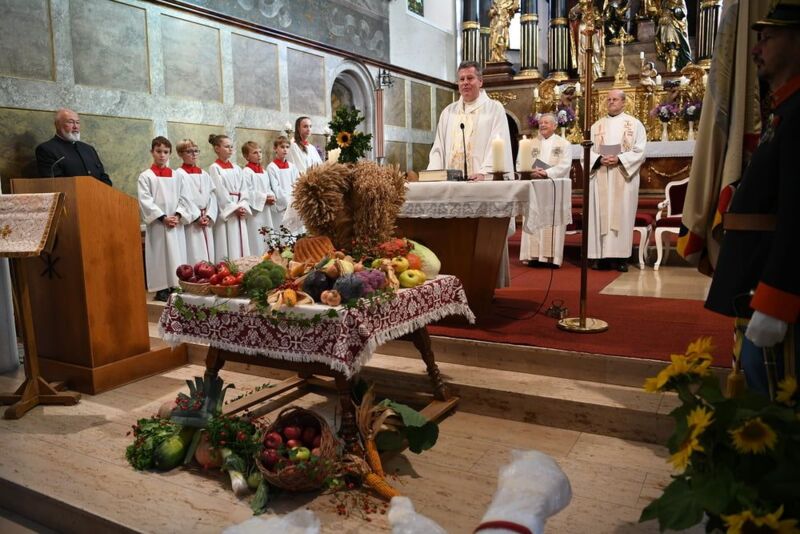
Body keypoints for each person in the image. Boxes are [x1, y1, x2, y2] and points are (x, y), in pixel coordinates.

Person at [705, 2, 800, 396]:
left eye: (767, 37)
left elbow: (797, 214)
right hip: (754, 280)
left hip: (773, 286)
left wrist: (777, 300)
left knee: (774, 403)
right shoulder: (785, 111)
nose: (756, 48)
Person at [587, 89, 647, 272]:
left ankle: (622, 257)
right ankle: (600, 257)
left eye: (615, 99)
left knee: (623, 214)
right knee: (599, 216)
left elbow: (640, 150)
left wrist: (620, 159)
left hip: (623, 175)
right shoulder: (596, 126)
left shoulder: (635, 125)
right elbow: (587, 151)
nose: (611, 102)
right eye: (609, 99)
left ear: (623, 102)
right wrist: (598, 159)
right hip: (601, 175)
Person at [428, 61, 513, 181]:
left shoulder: (494, 109)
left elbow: (499, 144)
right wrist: (433, 176)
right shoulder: (448, 112)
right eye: (462, 79)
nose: (465, 82)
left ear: (480, 81)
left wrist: (485, 173)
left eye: (470, 78)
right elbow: (438, 149)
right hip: (450, 185)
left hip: (480, 184)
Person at [517, 113, 573, 268]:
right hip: (534, 187)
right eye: (541, 123)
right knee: (533, 216)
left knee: (552, 220)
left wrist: (547, 173)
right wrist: (529, 171)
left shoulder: (564, 144)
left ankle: (551, 257)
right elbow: (520, 162)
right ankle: (533, 256)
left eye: (546, 123)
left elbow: (565, 165)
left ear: (555, 126)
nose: (542, 125)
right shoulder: (530, 143)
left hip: (553, 189)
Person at [138, 137, 189, 302]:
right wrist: (163, 218)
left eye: (165, 152)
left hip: (175, 222)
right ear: (152, 152)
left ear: (170, 154)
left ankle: (176, 284)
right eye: (158, 151)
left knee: (176, 253)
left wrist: (178, 215)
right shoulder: (146, 176)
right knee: (159, 255)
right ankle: (161, 288)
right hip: (159, 225)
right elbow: (145, 201)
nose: (162, 155)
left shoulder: (177, 176)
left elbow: (185, 198)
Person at [35, 108, 112, 186]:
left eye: (77, 122)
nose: (75, 126)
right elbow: (56, 183)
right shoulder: (47, 149)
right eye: (70, 122)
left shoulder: (88, 149)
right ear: (57, 125)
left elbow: (103, 176)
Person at [208, 134, 251, 262]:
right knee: (228, 243)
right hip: (228, 212)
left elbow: (244, 189)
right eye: (227, 146)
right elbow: (219, 191)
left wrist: (243, 205)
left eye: (231, 147)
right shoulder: (214, 168)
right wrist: (233, 208)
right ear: (217, 149)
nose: (230, 149)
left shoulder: (237, 168)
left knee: (241, 243)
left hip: (239, 208)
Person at [175, 139, 217, 265]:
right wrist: (197, 216)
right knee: (194, 254)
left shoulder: (204, 174)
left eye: (196, 151)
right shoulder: (178, 174)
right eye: (189, 151)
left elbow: (212, 196)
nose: (194, 154)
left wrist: (209, 215)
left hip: (205, 218)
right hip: (192, 221)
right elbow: (182, 199)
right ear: (180, 154)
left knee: (209, 254)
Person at [241, 141, 276, 256]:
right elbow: (248, 192)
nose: (259, 155)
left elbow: (268, 188)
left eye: (260, 152)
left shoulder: (264, 172)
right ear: (246, 156)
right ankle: (256, 257)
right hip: (255, 212)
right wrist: (264, 198)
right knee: (256, 236)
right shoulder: (246, 172)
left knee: (267, 235)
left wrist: (271, 196)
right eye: (255, 153)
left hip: (265, 210)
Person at [267, 135, 301, 245]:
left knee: (295, 235)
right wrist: (288, 202)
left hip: (293, 205)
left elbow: (297, 184)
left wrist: (295, 201)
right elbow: (275, 187)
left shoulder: (292, 166)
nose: (285, 149)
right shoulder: (271, 167)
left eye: (287, 147)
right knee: (283, 236)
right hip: (282, 206)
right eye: (282, 147)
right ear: (275, 148)